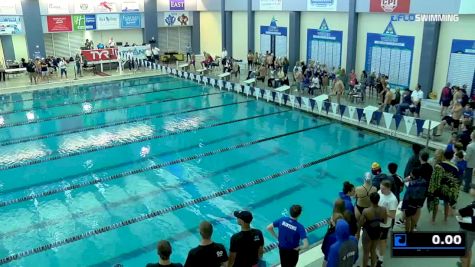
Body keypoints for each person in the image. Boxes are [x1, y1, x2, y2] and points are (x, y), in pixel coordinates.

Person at [427, 150, 460, 223]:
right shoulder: (455, 168)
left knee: (436, 202)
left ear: (444, 156)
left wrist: (431, 190)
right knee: (446, 203)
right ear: (452, 157)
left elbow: (434, 178)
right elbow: (456, 182)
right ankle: (445, 219)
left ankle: (433, 219)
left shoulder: (439, 165)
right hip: (448, 188)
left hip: (438, 187)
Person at [359, 192, 387, 267]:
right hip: (377, 231)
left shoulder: (365, 211)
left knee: (366, 253)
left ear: (370, 200)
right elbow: (385, 221)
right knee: (373, 250)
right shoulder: (383, 209)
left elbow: (361, 223)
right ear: (378, 200)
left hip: (368, 232)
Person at [377, 180, 398, 266]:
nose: (381, 190)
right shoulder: (379, 192)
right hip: (377, 221)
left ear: (389, 188)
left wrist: (381, 211)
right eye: (380, 188)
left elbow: (393, 216)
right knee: (377, 239)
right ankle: (377, 253)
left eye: (383, 189)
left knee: (382, 241)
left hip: (384, 224)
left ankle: (381, 259)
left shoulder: (392, 200)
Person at [401, 167, 428, 232]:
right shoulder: (424, 182)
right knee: (414, 219)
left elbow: (407, 196)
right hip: (418, 203)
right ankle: (412, 230)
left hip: (410, 204)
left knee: (407, 219)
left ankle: (407, 232)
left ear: (413, 175)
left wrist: (403, 207)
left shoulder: (412, 183)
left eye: (411, 173)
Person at [455, 183, 475, 267]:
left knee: (464, 252)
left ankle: (464, 264)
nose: (471, 189)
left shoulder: (472, 207)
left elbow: (458, 212)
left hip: (468, 230)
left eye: (473, 188)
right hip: (472, 230)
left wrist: (453, 208)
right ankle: (468, 264)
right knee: (468, 249)